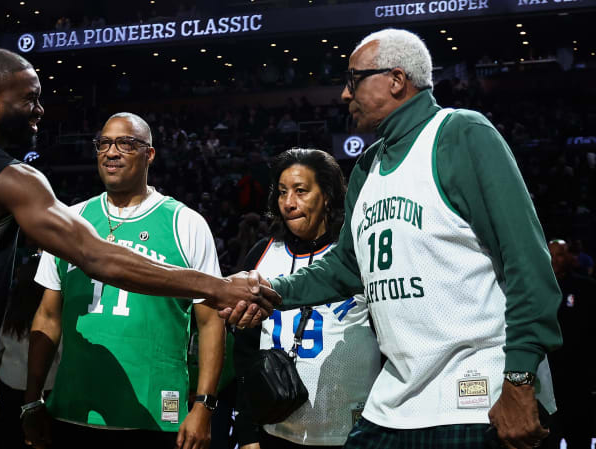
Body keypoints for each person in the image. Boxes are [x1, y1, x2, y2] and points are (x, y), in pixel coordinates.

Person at [0, 47, 274, 449]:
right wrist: (217, 288)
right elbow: (97, 256)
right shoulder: (12, 178)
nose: (40, 110)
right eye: (30, 98)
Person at [230, 28, 563, 449]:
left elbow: (527, 262)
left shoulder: (460, 133)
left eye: (353, 80)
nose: (343, 96)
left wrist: (519, 379)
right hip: (395, 400)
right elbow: (348, 266)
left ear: (396, 79)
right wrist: (271, 291)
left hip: (476, 392)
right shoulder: (368, 164)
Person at [23, 112, 225, 449]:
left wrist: (204, 404)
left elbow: (210, 321)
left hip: (155, 413)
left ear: (150, 154)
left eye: (125, 144)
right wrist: (32, 399)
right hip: (74, 409)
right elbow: (47, 316)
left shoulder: (185, 223)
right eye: (103, 143)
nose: (111, 152)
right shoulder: (69, 221)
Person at [233, 149, 379, 449]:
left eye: (301, 191)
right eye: (283, 192)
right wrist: (247, 433)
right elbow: (245, 352)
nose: (289, 203)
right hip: (275, 431)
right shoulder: (262, 254)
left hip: (352, 431)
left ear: (327, 195)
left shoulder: (355, 254)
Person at [0, 256, 61, 449]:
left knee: (10, 435)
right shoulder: (54, 315)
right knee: (41, 438)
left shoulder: (9, 310)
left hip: (11, 386)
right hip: (47, 388)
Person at [547, 240, 595, 449]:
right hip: (548, 375)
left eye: (559, 254)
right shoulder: (536, 287)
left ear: (569, 258)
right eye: (550, 254)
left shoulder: (586, 287)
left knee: (580, 435)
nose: (554, 259)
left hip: (579, 375)